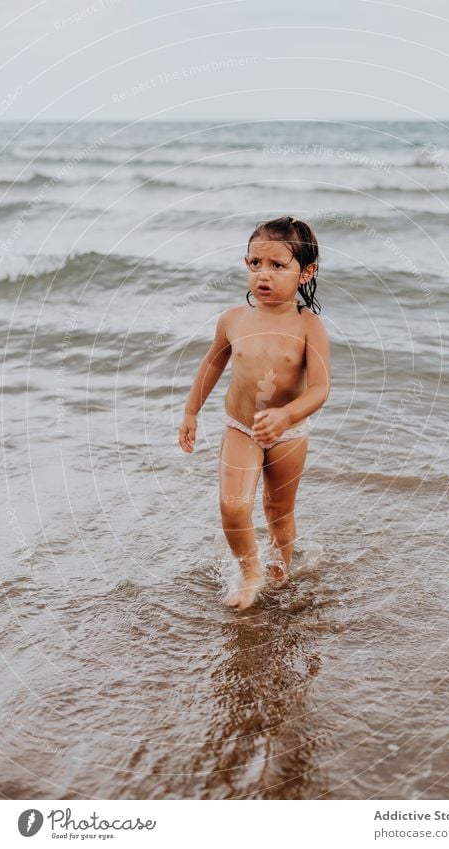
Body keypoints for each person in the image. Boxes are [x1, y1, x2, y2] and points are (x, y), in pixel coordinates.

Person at [179, 215, 331, 610]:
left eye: (278, 266)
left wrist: (286, 416)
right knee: (232, 505)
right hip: (240, 427)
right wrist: (191, 411)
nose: (263, 275)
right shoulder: (233, 320)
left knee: (278, 511)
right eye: (255, 264)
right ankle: (250, 573)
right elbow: (212, 365)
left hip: (288, 434)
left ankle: (280, 568)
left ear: (305, 272)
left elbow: (320, 388)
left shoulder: (308, 327)